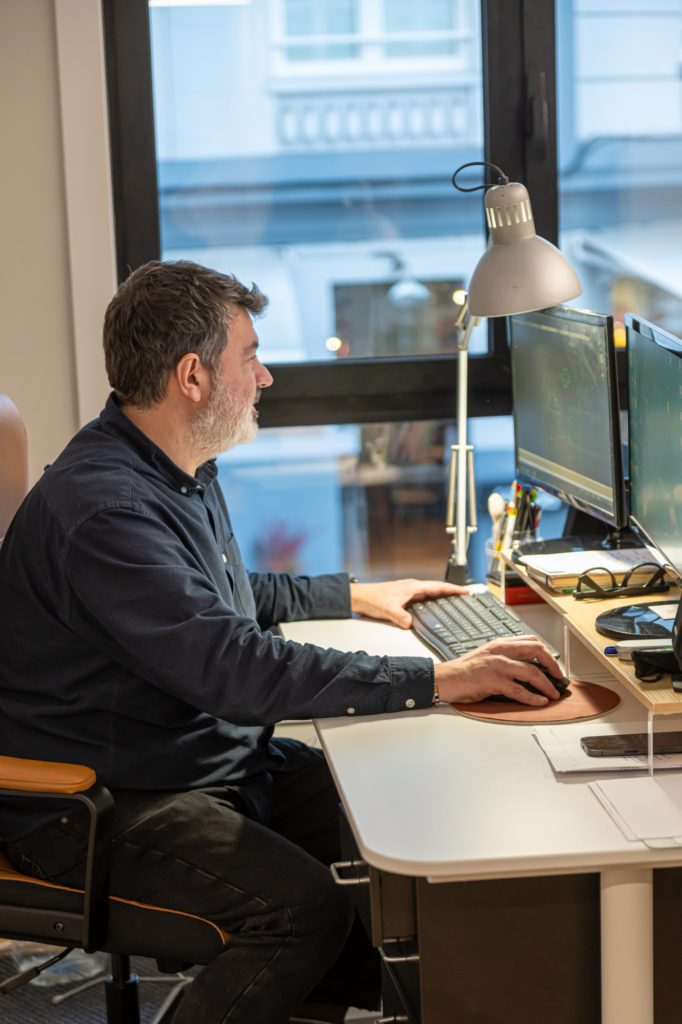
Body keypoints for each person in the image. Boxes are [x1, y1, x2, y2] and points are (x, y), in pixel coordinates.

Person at [0, 261, 563, 1024]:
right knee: (303, 913)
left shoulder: (173, 471)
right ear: (193, 376)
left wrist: (354, 595)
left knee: (394, 813)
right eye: (250, 356)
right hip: (105, 801)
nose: (264, 377)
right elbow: (233, 669)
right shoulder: (107, 512)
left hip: (193, 761)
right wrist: (440, 679)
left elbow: (220, 605)